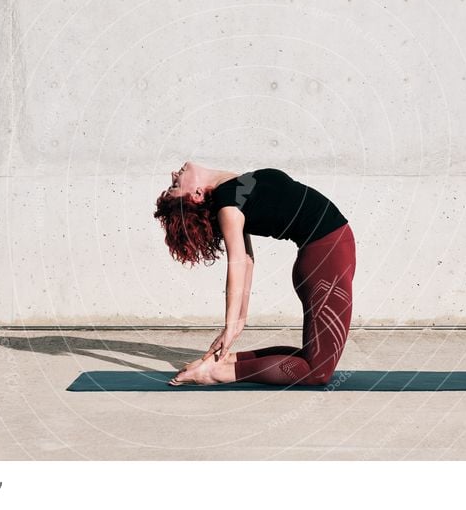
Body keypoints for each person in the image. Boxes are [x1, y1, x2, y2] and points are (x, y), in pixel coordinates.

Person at [153, 161, 356, 386]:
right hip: (326, 260)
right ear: (197, 195)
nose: (174, 174)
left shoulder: (232, 188)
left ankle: (226, 362)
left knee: (312, 357)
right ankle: (216, 374)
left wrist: (240, 321)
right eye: (175, 185)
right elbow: (238, 263)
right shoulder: (228, 207)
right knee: (316, 372)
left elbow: (248, 261)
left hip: (326, 257)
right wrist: (231, 324)